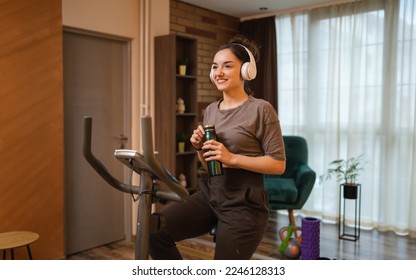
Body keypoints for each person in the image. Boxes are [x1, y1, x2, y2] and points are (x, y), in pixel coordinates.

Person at [149, 35, 286, 260]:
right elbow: (210, 163)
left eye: (227, 66)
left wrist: (233, 158)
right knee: (154, 229)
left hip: (245, 203)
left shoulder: (262, 109)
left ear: (246, 71)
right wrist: (199, 148)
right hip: (211, 194)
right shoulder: (211, 109)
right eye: (215, 67)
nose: (218, 72)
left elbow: (278, 164)